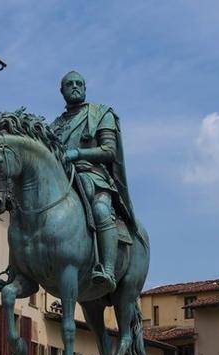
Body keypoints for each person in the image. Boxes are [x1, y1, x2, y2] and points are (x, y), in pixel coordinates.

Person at [50, 70, 137, 293]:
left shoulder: (100, 114)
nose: (75, 86)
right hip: (62, 178)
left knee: (100, 210)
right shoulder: (54, 126)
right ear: (62, 91)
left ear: (85, 88)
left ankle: (107, 269)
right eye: (69, 84)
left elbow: (109, 151)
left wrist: (78, 154)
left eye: (79, 83)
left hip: (93, 175)